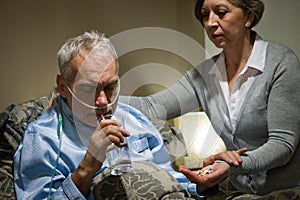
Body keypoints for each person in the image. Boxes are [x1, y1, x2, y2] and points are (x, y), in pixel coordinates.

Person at [13, 31, 237, 199]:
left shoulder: (135, 120)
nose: (102, 101)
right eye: (88, 89)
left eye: (110, 87)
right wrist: (85, 169)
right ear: (63, 87)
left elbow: (168, 179)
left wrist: (201, 182)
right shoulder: (42, 138)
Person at [120, 0, 300, 196]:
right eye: (205, 15)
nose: (210, 23)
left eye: (221, 12)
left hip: (288, 191)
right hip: (240, 193)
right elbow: (153, 106)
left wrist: (232, 165)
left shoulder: (280, 63)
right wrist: (97, 98)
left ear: (248, 17)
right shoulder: (204, 76)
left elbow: (283, 143)